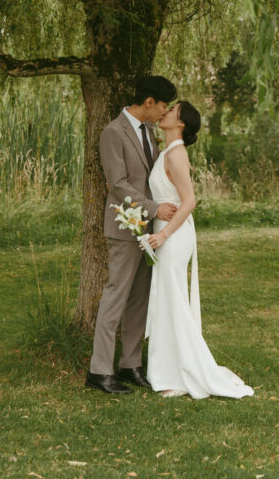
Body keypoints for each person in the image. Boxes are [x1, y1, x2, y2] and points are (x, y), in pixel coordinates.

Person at [145, 101, 254, 399]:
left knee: (172, 299)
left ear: (181, 123)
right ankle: (168, 368)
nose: (165, 111)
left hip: (175, 236)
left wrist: (164, 234)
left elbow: (189, 201)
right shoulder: (166, 152)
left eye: (172, 110)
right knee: (167, 298)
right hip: (164, 233)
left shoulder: (177, 154)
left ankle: (177, 372)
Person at [86, 75, 178, 394]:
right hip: (125, 228)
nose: (163, 113)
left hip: (148, 232)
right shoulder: (113, 132)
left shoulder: (150, 132)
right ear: (148, 102)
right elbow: (118, 184)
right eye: (162, 107)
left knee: (139, 299)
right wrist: (154, 208)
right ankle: (99, 370)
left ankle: (130, 364)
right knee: (116, 296)